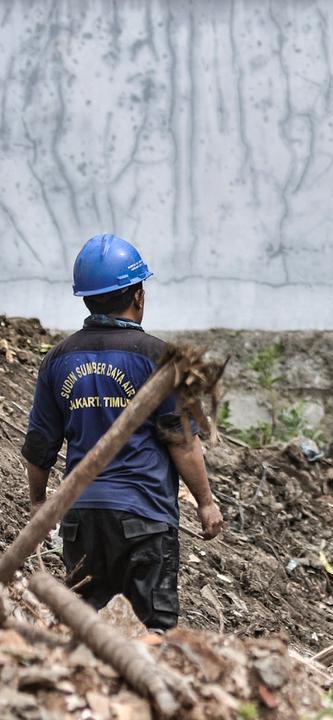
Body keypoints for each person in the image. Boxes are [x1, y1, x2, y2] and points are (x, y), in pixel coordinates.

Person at [22, 234, 224, 631]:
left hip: (81, 521)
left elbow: (40, 444)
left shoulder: (58, 359)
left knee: (86, 632)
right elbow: (183, 442)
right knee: (153, 631)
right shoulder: (159, 358)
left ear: (86, 298)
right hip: (144, 518)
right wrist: (205, 502)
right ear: (138, 295)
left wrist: (38, 503)